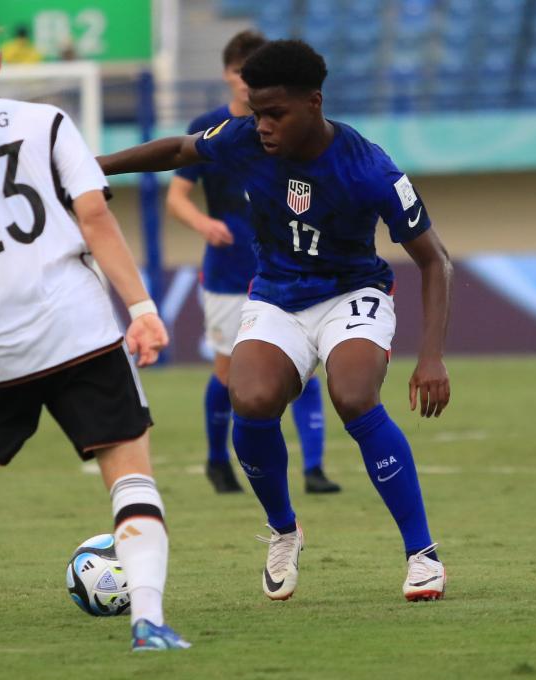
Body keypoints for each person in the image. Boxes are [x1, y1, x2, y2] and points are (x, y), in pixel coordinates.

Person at [98, 39, 451, 603]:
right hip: (277, 296)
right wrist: (97, 167)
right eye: (257, 111)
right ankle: (284, 530)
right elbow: (179, 151)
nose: (261, 125)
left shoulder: (370, 168)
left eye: (275, 113)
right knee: (252, 399)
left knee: (355, 396)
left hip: (350, 293)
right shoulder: (245, 137)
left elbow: (435, 259)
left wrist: (430, 357)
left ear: (314, 103)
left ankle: (422, 555)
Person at [0, 9, 190, 652]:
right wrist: (141, 308)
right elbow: (95, 219)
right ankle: (148, 618)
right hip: (77, 324)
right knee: (127, 464)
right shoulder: (48, 122)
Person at [165, 30, 340, 496]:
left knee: (305, 366)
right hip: (229, 269)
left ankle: (315, 468)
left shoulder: (293, 132)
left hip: (287, 269)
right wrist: (204, 225)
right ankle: (218, 460)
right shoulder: (213, 128)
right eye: (241, 73)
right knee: (229, 370)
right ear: (227, 75)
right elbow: (177, 196)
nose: (247, 82)